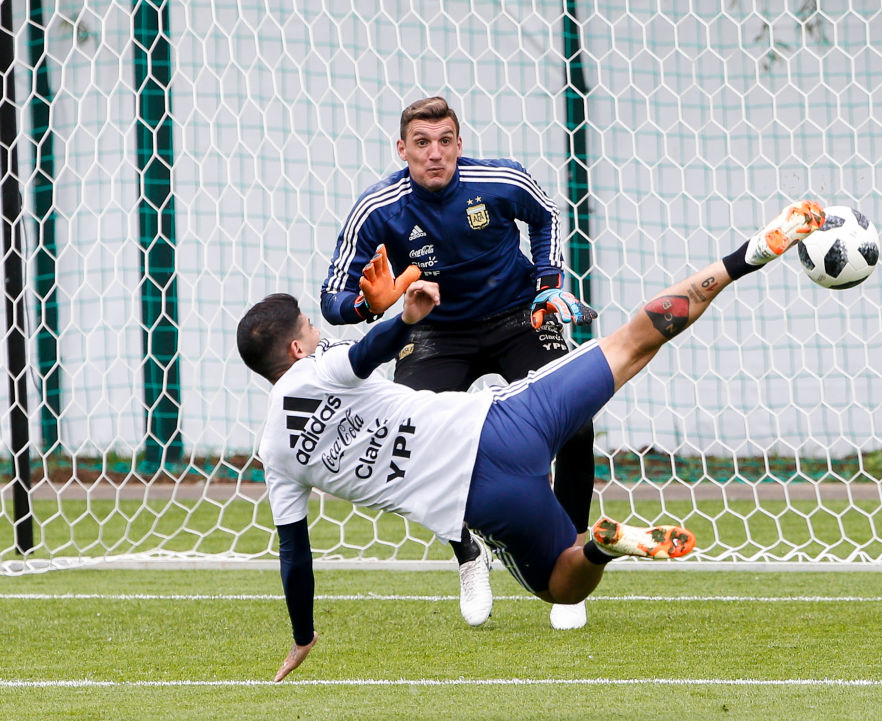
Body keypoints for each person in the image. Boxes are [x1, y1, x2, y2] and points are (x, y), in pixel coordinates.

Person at [238, 199, 826, 682]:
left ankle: (601, 547)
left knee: (559, 587)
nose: (317, 335)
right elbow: (371, 351)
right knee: (632, 341)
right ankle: (745, 257)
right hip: (504, 423)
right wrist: (402, 317)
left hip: (481, 502)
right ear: (294, 350)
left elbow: (295, 552)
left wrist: (303, 635)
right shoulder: (319, 369)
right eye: (310, 330)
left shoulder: (274, 454)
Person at [319, 96, 598, 630]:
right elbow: (332, 296)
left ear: (459, 145)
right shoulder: (378, 209)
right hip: (434, 333)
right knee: (424, 443)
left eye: (445, 141)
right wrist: (368, 305)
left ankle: (570, 560)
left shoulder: (501, 180)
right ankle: (469, 556)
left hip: (519, 317)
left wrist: (546, 286)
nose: (434, 154)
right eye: (421, 143)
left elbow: (546, 219)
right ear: (402, 149)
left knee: (576, 428)